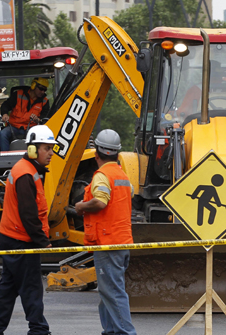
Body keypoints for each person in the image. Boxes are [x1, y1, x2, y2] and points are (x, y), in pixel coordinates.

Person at [0, 125, 55, 335]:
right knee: (31, 288)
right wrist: (42, 241)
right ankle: (39, 330)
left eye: (52, 148)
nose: (51, 153)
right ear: (33, 150)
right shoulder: (26, 173)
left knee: (8, 288)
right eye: (46, 148)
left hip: (13, 238)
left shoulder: (27, 170)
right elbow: (28, 214)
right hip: (21, 241)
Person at [75, 129, 137, 335]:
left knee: (113, 292)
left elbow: (100, 201)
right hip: (122, 241)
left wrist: (81, 206)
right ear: (117, 154)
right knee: (107, 292)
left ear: (96, 154)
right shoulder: (123, 176)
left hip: (108, 242)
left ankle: (126, 333)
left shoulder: (102, 176)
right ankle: (110, 331)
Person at [0, 77, 51, 152]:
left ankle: (35, 157)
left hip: (31, 128)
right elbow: (5, 105)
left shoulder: (45, 101)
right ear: (33, 86)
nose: (43, 92)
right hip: (14, 127)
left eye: (45, 90)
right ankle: (5, 157)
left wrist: (38, 120)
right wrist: (4, 114)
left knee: (41, 136)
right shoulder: (18, 95)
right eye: (41, 89)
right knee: (3, 134)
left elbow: (46, 117)